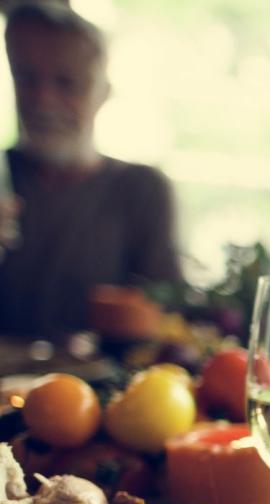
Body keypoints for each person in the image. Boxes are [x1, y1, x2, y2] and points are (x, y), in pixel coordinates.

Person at [0, 2, 182, 339]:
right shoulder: (2, 179)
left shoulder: (142, 189)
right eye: (27, 79)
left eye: (66, 82)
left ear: (103, 92)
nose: (43, 99)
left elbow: (167, 322)